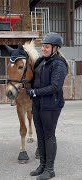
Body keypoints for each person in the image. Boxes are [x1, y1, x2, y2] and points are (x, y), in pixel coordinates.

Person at [26, 32, 68, 180]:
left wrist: (35, 92)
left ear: (55, 48)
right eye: (43, 46)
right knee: (40, 134)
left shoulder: (59, 64)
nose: (43, 49)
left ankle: (50, 169)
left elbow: (55, 87)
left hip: (51, 105)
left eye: (47, 47)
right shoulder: (41, 62)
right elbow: (33, 79)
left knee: (49, 135)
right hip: (37, 105)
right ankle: (42, 165)